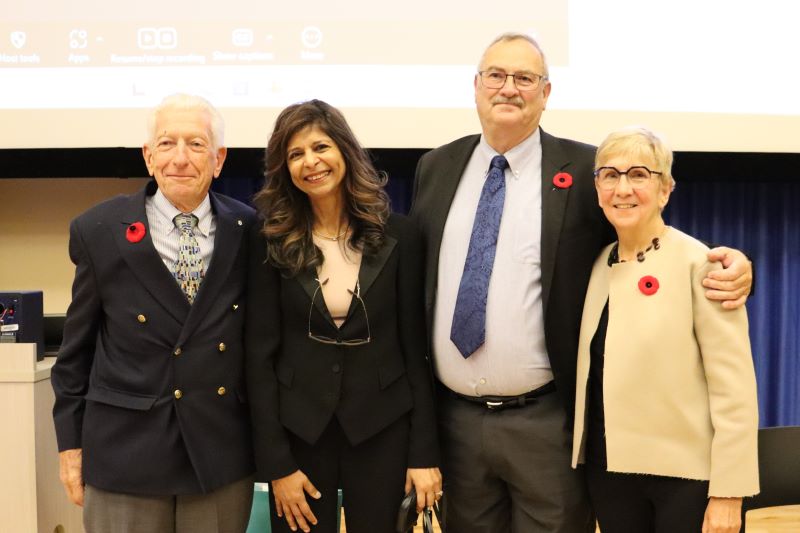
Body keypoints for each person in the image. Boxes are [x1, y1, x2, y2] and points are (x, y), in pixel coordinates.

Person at [409, 32, 754, 533]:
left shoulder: (589, 169)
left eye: (525, 78)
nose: (509, 88)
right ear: (477, 86)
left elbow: (646, 238)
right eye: (497, 76)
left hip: (547, 422)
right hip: (456, 423)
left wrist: (737, 266)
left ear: (545, 93)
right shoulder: (435, 167)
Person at [51, 93, 256, 533]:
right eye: (166, 144)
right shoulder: (99, 229)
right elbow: (75, 353)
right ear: (148, 156)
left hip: (218, 457)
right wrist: (70, 447)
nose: (180, 158)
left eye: (196, 145)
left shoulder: (250, 230)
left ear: (219, 159)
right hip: (126, 455)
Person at [246, 99, 441, 533]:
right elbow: (258, 359)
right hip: (299, 431)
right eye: (295, 155)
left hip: (381, 427)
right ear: (284, 168)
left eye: (320, 147)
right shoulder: (269, 240)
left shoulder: (401, 236)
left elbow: (416, 352)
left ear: (345, 152)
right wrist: (277, 464)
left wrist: (424, 454)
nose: (310, 163)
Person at [571, 127, 759, 533]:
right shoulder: (597, 263)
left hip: (688, 481)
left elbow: (735, 391)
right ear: (597, 187)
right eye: (610, 175)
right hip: (610, 474)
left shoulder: (703, 265)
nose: (623, 188)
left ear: (665, 189)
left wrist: (729, 492)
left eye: (639, 174)